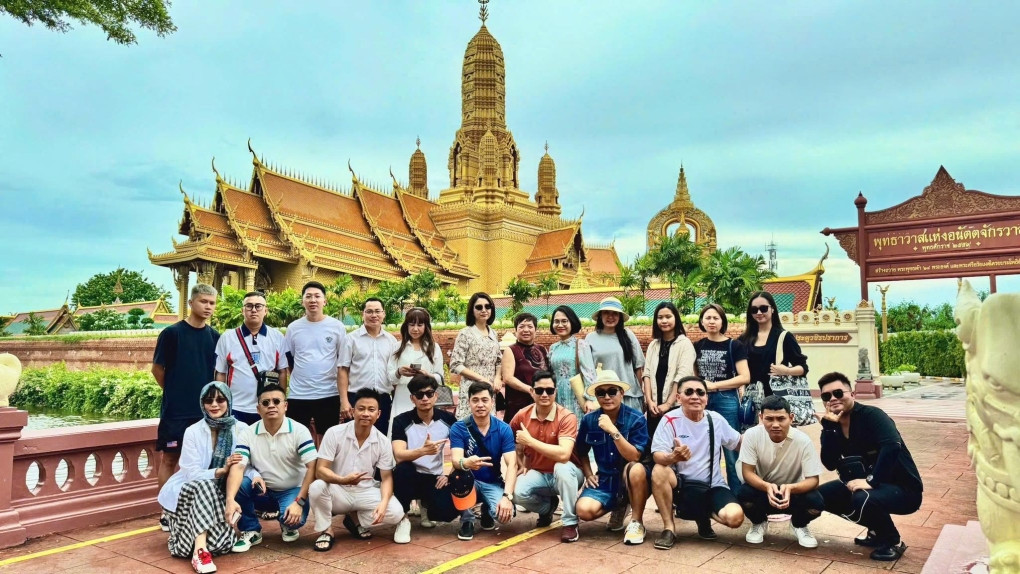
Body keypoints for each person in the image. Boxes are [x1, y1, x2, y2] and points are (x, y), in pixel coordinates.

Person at [815, 372, 924, 562]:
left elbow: (892, 446)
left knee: (861, 497)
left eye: (839, 393)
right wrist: (829, 430)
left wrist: (872, 481)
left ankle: (893, 541)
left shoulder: (873, 416)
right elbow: (829, 463)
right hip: (868, 486)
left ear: (853, 394)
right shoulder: (833, 425)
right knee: (819, 497)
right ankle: (876, 530)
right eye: (827, 396)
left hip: (904, 490)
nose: (833, 398)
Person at [159, 382, 251, 573]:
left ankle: (201, 545)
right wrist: (220, 470)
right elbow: (191, 472)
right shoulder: (193, 431)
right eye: (208, 401)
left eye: (220, 399)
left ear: (229, 401)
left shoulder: (241, 429)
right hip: (190, 487)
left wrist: (255, 476)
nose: (214, 405)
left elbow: (245, 463)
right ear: (202, 404)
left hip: (222, 488)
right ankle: (200, 552)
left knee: (220, 544)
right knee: (204, 485)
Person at [648, 376, 744, 550]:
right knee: (659, 470)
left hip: (712, 486)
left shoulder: (715, 419)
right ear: (678, 398)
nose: (695, 396)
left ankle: (702, 515)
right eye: (689, 392)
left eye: (700, 392)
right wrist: (673, 457)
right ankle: (669, 528)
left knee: (735, 518)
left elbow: (738, 443)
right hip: (682, 486)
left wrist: (765, 435)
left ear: (706, 399)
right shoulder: (669, 419)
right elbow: (657, 455)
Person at [153, 283, 220, 530]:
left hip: (205, 412)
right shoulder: (171, 334)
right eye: (203, 302)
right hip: (176, 412)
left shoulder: (215, 337)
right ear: (191, 303)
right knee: (170, 459)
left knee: (203, 462)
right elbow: (157, 370)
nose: (208, 307)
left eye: (212, 303)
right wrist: (174, 391)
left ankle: (197, 509)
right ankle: (167, 512)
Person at [223, 384, 317, 553]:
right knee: (240, 483)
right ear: (258, 409)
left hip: (292, 490)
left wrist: (299, 502)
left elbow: (313, 467)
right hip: (262, 490)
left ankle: (286, 522)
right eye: (265, 403)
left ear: (285, 406)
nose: (271, 406)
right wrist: (230, 500)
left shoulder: (299, 431)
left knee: (294, 520)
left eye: (276, 401)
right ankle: (251, 529)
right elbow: (237, 467)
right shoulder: (248, 433)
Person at [308, 389, 405, 550]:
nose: (366, 413)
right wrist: (342, 480)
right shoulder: (334, 433)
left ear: (379, 414)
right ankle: (326, 530)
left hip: (364, 492)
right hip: (338, 490)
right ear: (353, 411)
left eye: (371, 409)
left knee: (395, 513)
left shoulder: (382, 441)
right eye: (361, 409)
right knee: (317, 487)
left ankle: (354, 519)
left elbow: (386, 477)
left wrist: (384, 502)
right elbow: (320, 471)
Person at [738, 395, 825, 548]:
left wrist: (791, 488)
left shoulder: (803, 441)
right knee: (743, 494)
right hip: (762, 491)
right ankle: (759, 522)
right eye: (769, 419)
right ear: (761, 417)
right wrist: (766, 487)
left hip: (791, 493)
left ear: (791, 418)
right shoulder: (752, 435)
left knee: (816, 502)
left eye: (781, 418)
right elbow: (747, 473)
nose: (775, 424)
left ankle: (799, 525)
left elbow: (813, 479)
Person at [510, 370, 585, 542]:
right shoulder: (522, 415)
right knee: (516, 491)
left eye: (549, 391)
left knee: (562, 467)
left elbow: (565, 454)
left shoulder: (566, 417)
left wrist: (529, 441)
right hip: (540, 473)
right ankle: (547, 507)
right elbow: (508, 441)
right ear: (531, 391)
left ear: (555, 391)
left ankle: (570, 522)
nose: (545, 394)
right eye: (539, 390)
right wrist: (519, 460)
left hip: (569, 474)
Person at [573, 370, 648, 541]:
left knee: (635, 468)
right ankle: (619, 505)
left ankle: (637, 521)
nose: (607, 397)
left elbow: (635, 456)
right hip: (605, 479)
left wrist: (613, 431)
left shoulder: (636, 419)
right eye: (601, 393)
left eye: (612, 391)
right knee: (584, 510)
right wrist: (589, 474)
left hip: (633, 480)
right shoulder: (589, 420)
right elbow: (581, 451)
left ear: (622, 393)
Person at [391, 374, 463, 531]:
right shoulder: (401, 421)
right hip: (410, 476)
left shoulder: (448, 419)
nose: (425, 398)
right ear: (412, 399)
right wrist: (422, 451)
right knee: (403, 470)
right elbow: (399, 454)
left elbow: (461, 450)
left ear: (436, 396)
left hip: (434, 477)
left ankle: (426, 506)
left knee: (447, 513)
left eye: (429, 394)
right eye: (419, 395)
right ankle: (402, 518)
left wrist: (449, 475)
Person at [449, 381, 518, 541]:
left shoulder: (503, 429)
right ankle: (467, 520)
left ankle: (487, 509)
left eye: (485, 400)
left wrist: (507, 497)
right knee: (460, 479)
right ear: (469, 402)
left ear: (492, 402)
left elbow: (512, 464)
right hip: (467, 481)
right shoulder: (459, 428)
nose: (480, 404)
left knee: (506, 516)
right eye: (475, 400)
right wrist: (466, 463)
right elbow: (455, 460)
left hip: (492, 481)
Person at [693, 303, 750, 491]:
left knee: (732, 449)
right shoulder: (697, 346)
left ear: (722, 321)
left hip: (726, 399)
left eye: (716, 318)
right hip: (703, 401)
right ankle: (711, 492)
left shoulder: (735, 345)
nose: (711, 321)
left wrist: (715, 386)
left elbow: (744, 377)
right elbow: (695, 377)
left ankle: (737, 494)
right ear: (702, 321)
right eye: (708, 318)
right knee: (706, 448)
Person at [284, 281, 346, 442]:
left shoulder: (337, 327)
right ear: (302, 301)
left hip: (328, 393)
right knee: (297, 440)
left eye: (317, 296)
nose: (313, 300)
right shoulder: (293, 328)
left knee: (327, 440)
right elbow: (290, 360)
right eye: (308, 296)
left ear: (324, 301)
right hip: (299, 395)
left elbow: (342, 361)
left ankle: (322, 468)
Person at [214, 291, 289, 424]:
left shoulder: (277, 337)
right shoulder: (228, 337)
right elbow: (221, 373)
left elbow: (282, 371)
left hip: (267, 407)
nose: (253, 310)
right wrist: (221, 401)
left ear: (265, 310)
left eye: (258, 306)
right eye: (249, 306)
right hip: (236, 407)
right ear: (243, 310)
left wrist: (280, 401)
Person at [338, 298, 399, 434]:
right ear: (363, 314)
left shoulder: (391, 341)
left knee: (381, 438)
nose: (374, 315)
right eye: (369, 311)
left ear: (383, 314)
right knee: (353, 438)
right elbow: (343, 370)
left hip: (382, 399)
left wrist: (395, 400)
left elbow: (394, 373)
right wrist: (344, 401)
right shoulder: (351, 339)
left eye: (378, 311)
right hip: (356, 398)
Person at [737, 291, 808, 402]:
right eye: (754, 310)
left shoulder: (784, 337)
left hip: (777, 399)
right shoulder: (743, 339)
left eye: (764, 308)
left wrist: (786, 371)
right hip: (751, 399)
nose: (759, 312)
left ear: (772, 309)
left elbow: (803, 368)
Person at [386, 307, 445, 434]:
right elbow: (390, 377)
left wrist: (427, 375)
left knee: (424, 433)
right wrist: (399, 372)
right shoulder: (397, 347)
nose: (415, 329)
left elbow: (440, 377)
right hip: (403, 395)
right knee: (400, 432)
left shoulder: (434, 348)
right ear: (406, 326)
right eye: (411, 325)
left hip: (425, 397)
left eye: (420, 325)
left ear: (426, 326)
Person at [642, 302, 695, 436]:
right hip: (654, 407)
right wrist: (649, 401)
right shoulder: (654, 344)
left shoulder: (684, 344)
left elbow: (682, 376)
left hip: (676, 406)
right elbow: (646, 374)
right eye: (660, 317)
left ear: (676, 318)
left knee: (675, 444)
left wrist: (668, 404)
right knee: (655, 446)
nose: (664, 321)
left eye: (668, 316)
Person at [586, 297, 645, 414]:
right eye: (606, 313)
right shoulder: (591, 338)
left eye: (615, 314)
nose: (610, 317)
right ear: (600, 316)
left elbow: (638, 366)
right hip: (604, 397)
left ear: (620, 317)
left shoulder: (628, 335)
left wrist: (640, 393)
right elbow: (588, 370)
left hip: (629, 395)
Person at [450, 292, 502, 419]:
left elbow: (499, 360)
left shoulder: (493, 333)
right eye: (479, 307)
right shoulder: (465, 334)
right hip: (471, 389)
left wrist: (497, 378)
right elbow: (455, 365)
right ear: (472, 310)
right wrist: (481, 379)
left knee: (489, 427)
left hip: (489, 391)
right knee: (469, 428)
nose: (484, 310)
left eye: (487, 306)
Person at [548, 305, 597, 420]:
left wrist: (590, 399)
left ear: (572, 322)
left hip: (576, 396)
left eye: (564, 321)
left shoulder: (581, 345)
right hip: (557, 396)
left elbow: (590, 374)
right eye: (556, 321)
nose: (560, 325)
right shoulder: (553, 348)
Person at [501, 312, 549, 422]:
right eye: (521, 326)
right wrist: (530, 390)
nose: (526, 330)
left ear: (535, 330)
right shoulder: (511, 350)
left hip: (541, 401)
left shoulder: (542, 349)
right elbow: (508, 378)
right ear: (516, 331)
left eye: (530, 326)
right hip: (518, 403)